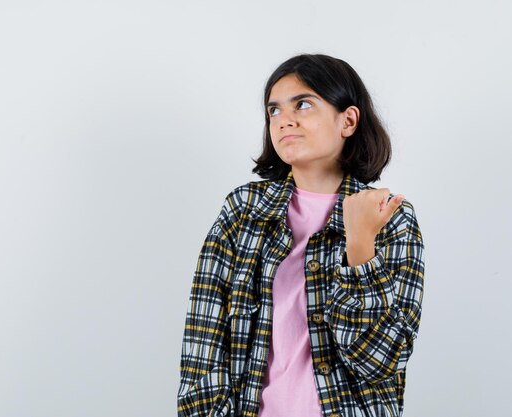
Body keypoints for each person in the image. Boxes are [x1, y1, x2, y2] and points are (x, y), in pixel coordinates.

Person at [177, 53, 425, 417]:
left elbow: (380, 364)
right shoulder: (243, 210)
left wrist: (359, 246)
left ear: (348, 120)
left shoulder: (391, 217)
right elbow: (202, 348)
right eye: (274, 110)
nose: (284, 120)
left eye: (303, 105)